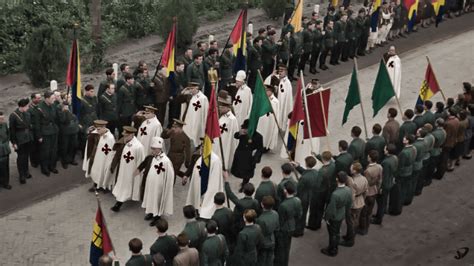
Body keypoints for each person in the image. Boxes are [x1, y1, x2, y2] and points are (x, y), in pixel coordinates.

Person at [138, 137, 175, 226]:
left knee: (157, 200)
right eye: (152, 148)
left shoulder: (166, 161)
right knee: (151, 199)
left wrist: (166, 186)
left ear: (159, 149)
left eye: (154, 149)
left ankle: (157, 217)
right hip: (151, 185)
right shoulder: (154, 158)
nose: (152, 150)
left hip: (159, 186)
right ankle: (151, 212)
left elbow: (170, 175)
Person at [110, 126, 145, 212]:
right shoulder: (126, 142)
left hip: (131, 171)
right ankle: (119, 200)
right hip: (123, 170)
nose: (124, 137)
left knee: (129, 186)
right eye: (124, 135)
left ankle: (118, 204)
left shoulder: (138, 147)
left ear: (132, 135)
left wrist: (139, 171)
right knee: (123, 185)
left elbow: (141, 160)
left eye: (126, 135)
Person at [186, 147, 224, 219]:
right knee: (198, 201)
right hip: (198, 186)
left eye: (204, 147)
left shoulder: (215, 160)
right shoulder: (199, 159)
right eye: (202, 147)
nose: (202, 149)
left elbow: (215, 177)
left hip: (208, 186)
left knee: (206, 203)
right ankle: (197, 210)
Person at [320, 172, 353, 257]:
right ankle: (335, 246)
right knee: (337, 232)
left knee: (332, 234)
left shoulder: (335, 194)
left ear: (337, 179)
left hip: (334, 217)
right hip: (342, 213)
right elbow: (349, 203)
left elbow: (331, 209)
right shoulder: (348, 190)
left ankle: (332, 250)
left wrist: (326, 218)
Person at [83, 120, 115, 192]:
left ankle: (104, 186)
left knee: (103, 171)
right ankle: (95, 185)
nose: (97, 131)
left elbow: (111, 151)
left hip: (104, 158)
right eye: (97, 129)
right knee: (94, 171)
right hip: (95, 157)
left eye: (99, 129)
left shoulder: (110, 138)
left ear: (104, 128)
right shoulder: (95, 134)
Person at [275, 181, 302, 266]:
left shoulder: (283, 205)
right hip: (292, 225)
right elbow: (299, 214)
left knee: (281, 249)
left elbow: (280, 221)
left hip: (284, 229)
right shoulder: (297, 200)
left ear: (285, 191)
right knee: (287, 247)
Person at [231, 119, 264, 189]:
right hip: (240, 154)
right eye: (244, 128)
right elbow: (235, 136)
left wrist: (256, 158)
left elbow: (260, 149)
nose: (244, 130)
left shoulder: (258, 136)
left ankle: (244, 184)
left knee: (247, 173)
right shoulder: (243, 133)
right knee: (238, 169)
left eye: (246, 128)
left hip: (249, 157)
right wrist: (240, 133)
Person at [292, 156, 319, 236]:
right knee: (303, 213)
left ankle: (298, 231)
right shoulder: (316, 172)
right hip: (310, 195)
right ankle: (301, 227)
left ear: (306, 164)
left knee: (300, 215)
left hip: (302, 197)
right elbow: (306, 172)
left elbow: (298, 188)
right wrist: (297, 167)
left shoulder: (304, 178)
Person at [34, 91, 59, 177]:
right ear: (47, 99)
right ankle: (45, 169)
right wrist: (39, 136)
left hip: (53, 131)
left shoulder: (53, 105)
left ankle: (52, 166)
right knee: (45, 152)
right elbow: (36, 124)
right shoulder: (39, 108)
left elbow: (55, 117)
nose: (54, 100)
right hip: (45, 132)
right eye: (52, 98)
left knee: (53, 150)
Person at [9, 98, 33, 185]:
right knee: (21, 158)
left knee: (26, 156)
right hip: (20, 140)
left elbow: (29, 126)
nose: (28, 108)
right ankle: (21, 175)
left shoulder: (27, 113)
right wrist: (14, 143)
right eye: (26, 106)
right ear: (21, 107)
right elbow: (12, 131)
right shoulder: (13, 116)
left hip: (27, 138)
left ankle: (26, 172)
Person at [308, 151, 335, 230]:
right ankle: (318, 223)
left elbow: (317, 184)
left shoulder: (321, 171)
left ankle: (313, 225)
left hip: (318, 192)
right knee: (320, 209)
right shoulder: (333, 165)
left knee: (314, 209)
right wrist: (317, 155)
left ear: (323, 159)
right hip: (326, 190)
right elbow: (326, 161)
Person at [358, 151, 382, 235]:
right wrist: (378, 189)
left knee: (364, 213)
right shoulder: (379, 166)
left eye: (368, 156)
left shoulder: (367, 171)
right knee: (369, 212)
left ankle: (363, 228)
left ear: (370, 158)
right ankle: (367, 226)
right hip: (374, 191)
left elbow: (366, 184)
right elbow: (380, 179)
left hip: (368, 193)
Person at [373, 144, 398, 224]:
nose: (384, 150)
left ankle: (378, 219)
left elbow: (384, 177)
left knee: (381, 203)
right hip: (390, 182)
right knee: (384, 201)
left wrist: (381, 188)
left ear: (388, 151)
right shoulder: (395, 158)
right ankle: (380, 213)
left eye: (385, 149)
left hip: (385, 185)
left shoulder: (386, 162)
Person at [179, 82, 209, 148]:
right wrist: (183, 93)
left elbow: (205, 112)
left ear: (197, 88)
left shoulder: (203, 98)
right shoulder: (189, 96)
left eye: (192, 88)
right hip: (188, 118)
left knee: (195, 136)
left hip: (197, 120)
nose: (191, 90)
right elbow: (180, 101)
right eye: (189, 89)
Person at [213, 95, 239, 169]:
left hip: (226, 142)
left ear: (227, 108)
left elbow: (234, 134)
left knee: (224, 154)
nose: (220, 109)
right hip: (219, 140)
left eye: (221, 108)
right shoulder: (223, 116)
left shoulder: (232, 119)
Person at [394, 135, 417, 213]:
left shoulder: (404, 152)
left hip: (403, 173)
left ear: (407, 141)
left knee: (400, 190)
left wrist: (395, 175)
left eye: (405, 138)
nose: (403, 139)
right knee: (406, 187)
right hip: (409, 170)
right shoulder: (413, 148)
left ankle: (398, 206)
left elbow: (400, 166)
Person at [256, 196, 279, 266]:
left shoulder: (260, 219)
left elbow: (259, 234)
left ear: (262, 205)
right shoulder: (275, 214)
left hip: (264, 243)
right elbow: (277, 227)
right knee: (270, 259)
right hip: (272, 240)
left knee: (262, 260)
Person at [57, 98, 80, 169]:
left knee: (73, 145)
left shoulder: (71, 107)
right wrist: (65, 112)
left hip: (73, 130)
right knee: (65, 147)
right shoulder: (59, 110)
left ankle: (72, 159)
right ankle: (64, 161)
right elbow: (63, 120)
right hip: (65, 132)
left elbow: (75, 118)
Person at [257, 85, 280, 152]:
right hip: (262, 119)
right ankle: (259, 145)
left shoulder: (275, 101)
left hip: (269, 120)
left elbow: (274, 112)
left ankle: (265, 146)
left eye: (267, 91)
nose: (265, 92)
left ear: (271, 92)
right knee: (260, 132)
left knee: (267, 133)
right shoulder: (263, 98)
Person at [275, 64, 293, 129]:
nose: (280, 72)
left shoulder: (287, 83)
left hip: (281, 104)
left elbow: (288, 98)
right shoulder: (275, 78)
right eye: (279, 70)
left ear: (286, 72)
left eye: (282, 70)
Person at [28, 93, 42, 168]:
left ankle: (38, 160)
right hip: (32, 132)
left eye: (40, 98)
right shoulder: (29, 108)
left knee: (39, 147)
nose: (40, 99)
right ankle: (33, 162)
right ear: (33, 99)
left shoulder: (39, 106)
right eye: (38, 98)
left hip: (39, 129)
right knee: (33, 148)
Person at [0, 112, 11, 189]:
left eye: (3, 118)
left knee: (5, 167)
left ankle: (5, 183)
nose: (3, 119)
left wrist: (6, 143)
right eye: (1, 118)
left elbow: (8, 134)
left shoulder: (4, 124)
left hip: (5, 149)